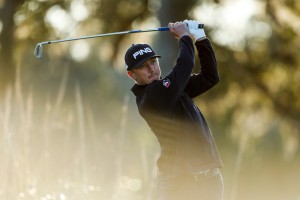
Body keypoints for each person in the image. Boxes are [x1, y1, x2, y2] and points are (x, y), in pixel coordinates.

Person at [124, 20, 224, 200]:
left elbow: (210, 77)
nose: (151, 69)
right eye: (143, 66)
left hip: (209, 180)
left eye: (153, 62)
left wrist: (200, 38)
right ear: (132, 74)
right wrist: (185, 36)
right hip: (179, 184)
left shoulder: (171, 88)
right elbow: (184, 66)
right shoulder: (151, 98)